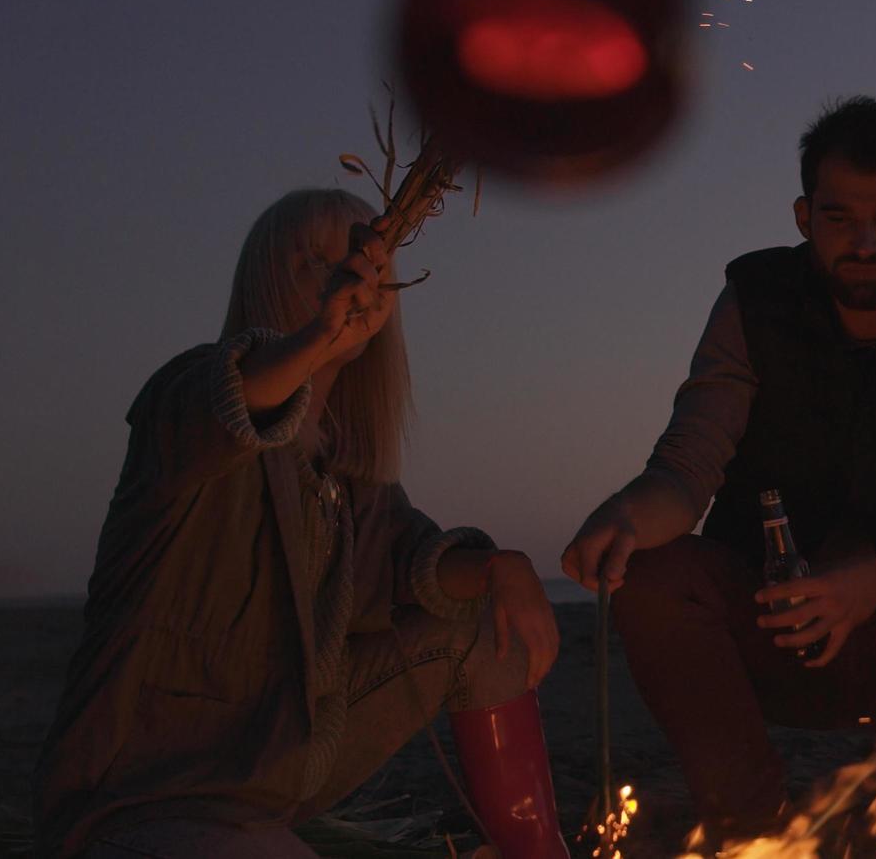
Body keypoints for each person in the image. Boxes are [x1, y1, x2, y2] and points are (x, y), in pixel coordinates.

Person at [560, 96, 876, 842]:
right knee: (656, 578)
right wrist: (624, 518)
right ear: (803, 217)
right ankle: (751, 833)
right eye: (839, 218)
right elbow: (686, 467)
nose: (864, 241)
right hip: (769, 626)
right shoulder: (753, 301)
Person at [34, 190, 572, 859]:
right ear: (265, 285)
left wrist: (501, 569)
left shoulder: (348, 474)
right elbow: (234, 402)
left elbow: (413, 567)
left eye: (359, 262)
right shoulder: (186, 404)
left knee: (478, 624)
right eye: (313, 263)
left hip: (274, 773)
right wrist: (318, 338)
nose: (346, 279)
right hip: (146, 797)